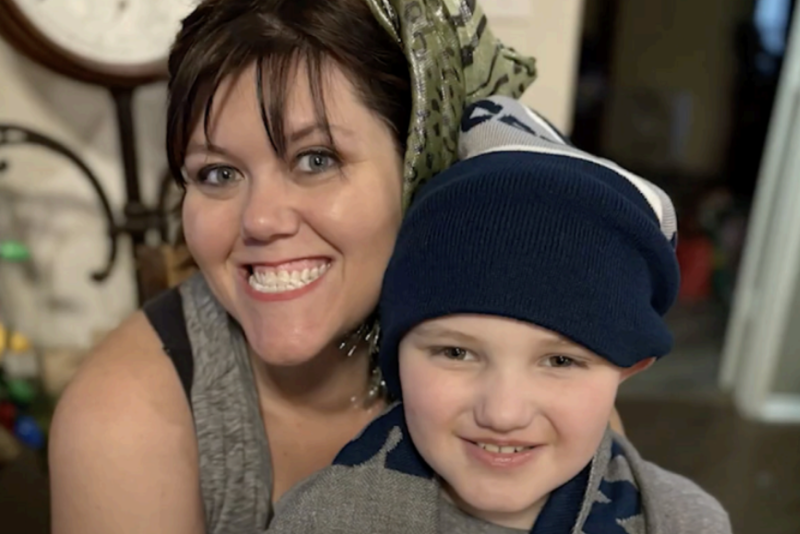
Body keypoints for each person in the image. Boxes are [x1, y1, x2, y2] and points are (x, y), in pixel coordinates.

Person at [48, 1, 549, 533]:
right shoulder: (121, 423)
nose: (260, 220)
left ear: (422, 163)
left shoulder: (537, 358)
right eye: (218, 173)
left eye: (316, 159)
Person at [267, 96, 732, 534]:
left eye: (560, 361)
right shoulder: (319, 518)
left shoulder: (682, 522)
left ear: (628, 369)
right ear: (395, 352)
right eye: (456, 352)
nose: (503, 412)